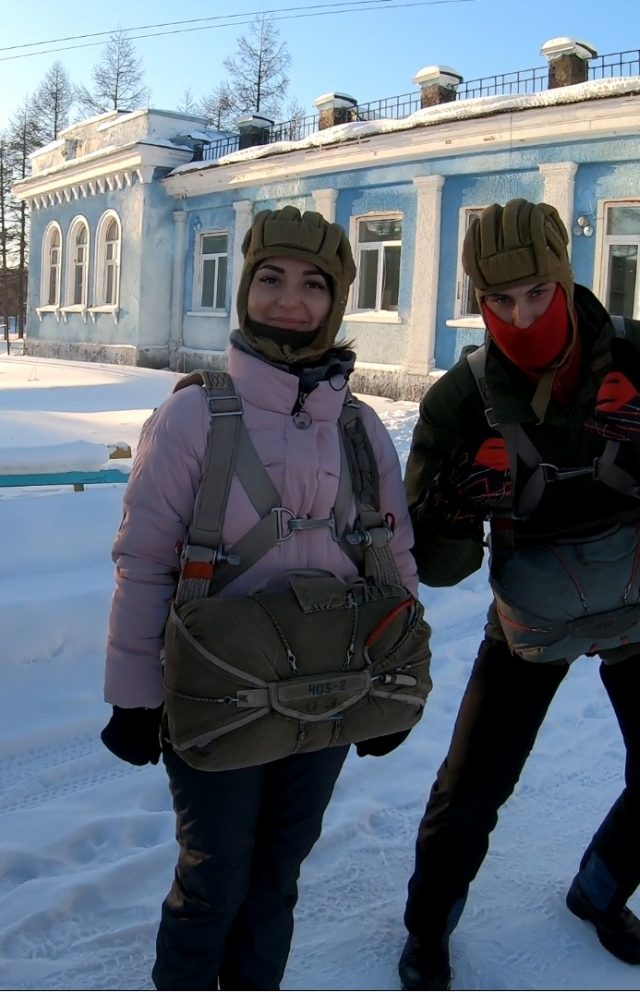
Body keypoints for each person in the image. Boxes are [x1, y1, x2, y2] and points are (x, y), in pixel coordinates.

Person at [396, 198, 640, 989]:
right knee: (468, 796)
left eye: (538, 293)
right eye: (499, 300)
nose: (521, 316)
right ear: (477, 300)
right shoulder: (460, 401)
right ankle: (428, 930)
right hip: (533, 617)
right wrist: (457, 504)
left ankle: (599, 892)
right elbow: (435, 565)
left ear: (566, 279)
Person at [100, 205, 419, 990]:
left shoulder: (360, 428)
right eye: (271, 278)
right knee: (214, 879)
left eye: (314, 284)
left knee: (278, 878)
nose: (290, 299)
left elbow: (392, 558)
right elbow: (144, 562)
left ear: (336, 302)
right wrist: (135, 697)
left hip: (331, 691)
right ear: (244, 288)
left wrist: (398, 684)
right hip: (218, 692)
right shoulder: (194, 415)